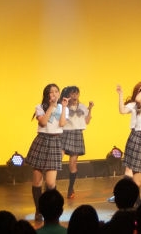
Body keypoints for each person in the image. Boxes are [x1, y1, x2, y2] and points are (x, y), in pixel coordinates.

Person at [25, 84, 68, 221]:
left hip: (55, 142)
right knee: (37, 180)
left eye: (56, 91)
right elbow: (43, 122)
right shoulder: (40, 107)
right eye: (51, 92)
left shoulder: (63, 108)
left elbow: (62, 124)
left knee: (50, 183)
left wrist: (63, 107)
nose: (54, 94)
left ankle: (50, 209)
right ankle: (38, 210)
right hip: (42, 141)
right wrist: (51, 106)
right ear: (47, 94)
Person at [60, 85, 93, 199]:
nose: (75, 95)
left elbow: (87, 121)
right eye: (72, 93)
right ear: (68, 95)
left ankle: (70, 188)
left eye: (76, 93)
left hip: (77, 134)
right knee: (57, 159)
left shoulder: (82, 107)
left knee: (72, 164)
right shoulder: (63, 107)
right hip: (65, 133)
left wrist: (90, 109)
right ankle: (50, 185)